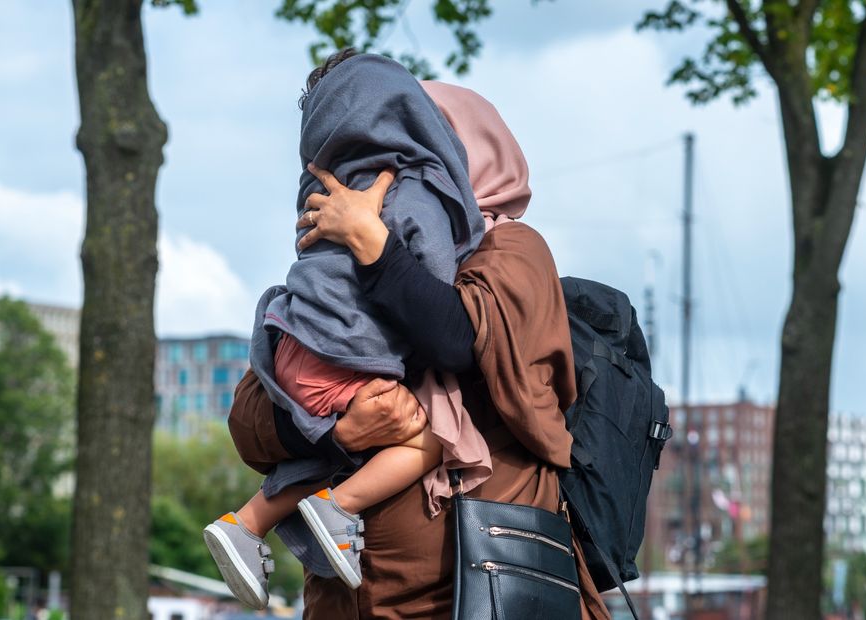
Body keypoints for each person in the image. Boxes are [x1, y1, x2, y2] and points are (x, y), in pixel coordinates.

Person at [228, 78, 612, 619]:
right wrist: (335, 429)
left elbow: (459, 343)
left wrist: (375, 247)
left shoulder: (512, 250)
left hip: (471, 594)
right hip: (349, 603)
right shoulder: (328, 269)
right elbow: (249, 422)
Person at [201, 51, 493, 610]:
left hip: (289, 345)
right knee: (435, 433)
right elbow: (446, 315)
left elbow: (463, 344)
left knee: (336, 438)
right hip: (392, 592)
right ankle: (338, 509)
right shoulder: (417, 193)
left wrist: (334, 435)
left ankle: (248, 524)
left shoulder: (325, 192)